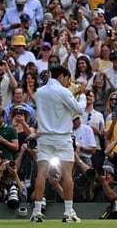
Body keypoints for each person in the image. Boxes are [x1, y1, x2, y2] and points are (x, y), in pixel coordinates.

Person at [31, 65, 86, 223]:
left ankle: (36, 212)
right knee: (67, 175)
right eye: (68, 79)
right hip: (62, 139)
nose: (68, 82)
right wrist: (81, 96)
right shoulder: (63, 91)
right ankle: (68, 213)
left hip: (45, 138)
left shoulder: (39, 92)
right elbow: (80, 110)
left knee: (41, 174)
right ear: (62, 76)